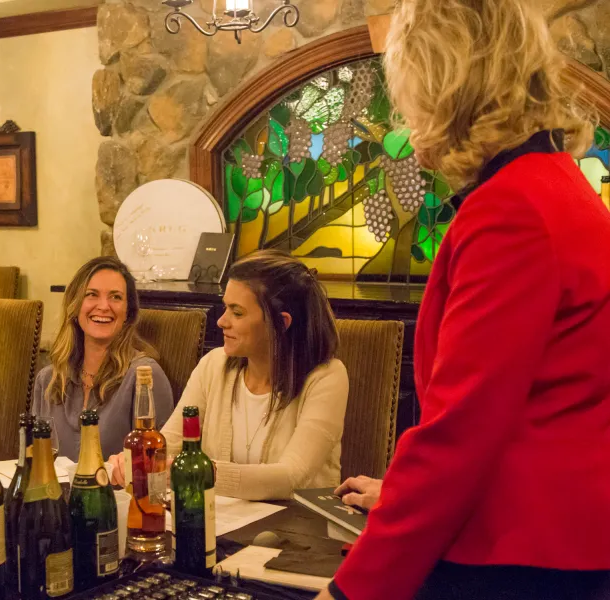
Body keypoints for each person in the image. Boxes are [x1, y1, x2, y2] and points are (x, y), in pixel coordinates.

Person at [319, 1, 610, 599]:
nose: (409, 117)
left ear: (447, 83)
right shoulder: (559, 186)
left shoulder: (512, 211)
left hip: (518, 558)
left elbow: (460, 434)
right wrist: (398, 490)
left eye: (409, 94)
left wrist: (351, 592)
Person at [110, 249, 348, 501]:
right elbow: (169, 443)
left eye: (237, 312)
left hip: (300, 531)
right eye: (225, 309)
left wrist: (203, 472)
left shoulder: (327, 377)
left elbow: (290, 478)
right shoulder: (214, 365)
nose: (221, 321)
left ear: (281, 323)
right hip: (223, 524)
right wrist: (135, 460)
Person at [32, 257, 172, 462]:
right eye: (91, 295)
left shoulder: (144, 377)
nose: (104, 306)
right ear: (75, 306)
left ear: (128, 312)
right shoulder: (48, 379)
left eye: (115, 297)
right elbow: (35, 461)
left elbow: (157, 468)